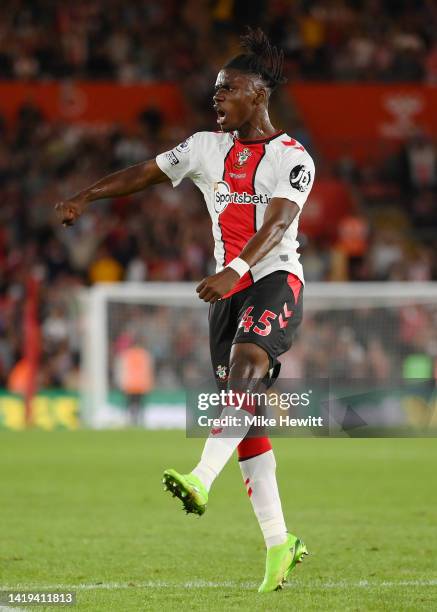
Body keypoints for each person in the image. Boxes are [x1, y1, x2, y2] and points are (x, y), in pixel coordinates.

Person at [55, 28, 315, 593]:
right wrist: (87, 196)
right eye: (214, 90)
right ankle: (280, 543)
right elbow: (144, 173)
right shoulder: (203, 147)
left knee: (247, 367)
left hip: (271, 279)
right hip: (228, 293)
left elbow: (276, 227)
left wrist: (236, 271)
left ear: (259, 94)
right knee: (245, 418)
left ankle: (200, 477)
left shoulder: (293, 157)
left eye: (227, 90)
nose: (215, 98)